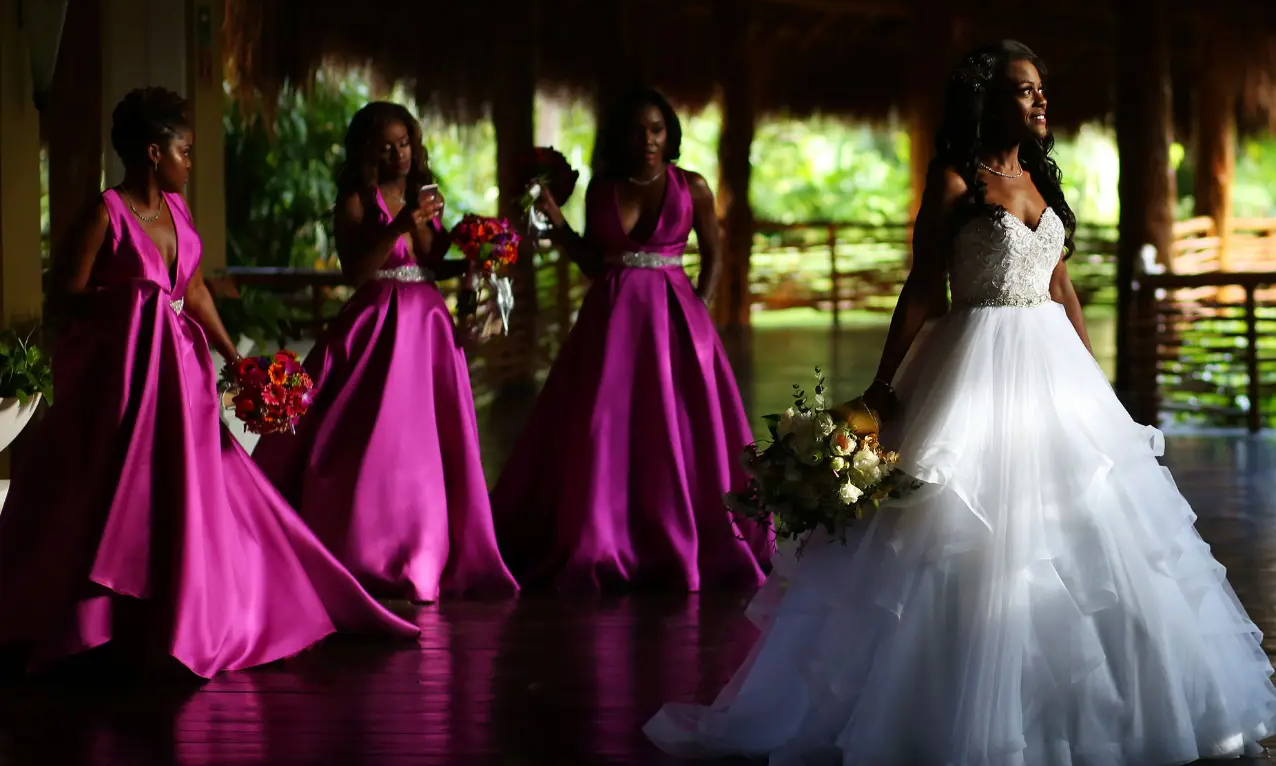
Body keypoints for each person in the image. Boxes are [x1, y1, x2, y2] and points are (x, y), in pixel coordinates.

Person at [644, 41, 1276, 764]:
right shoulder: (954, 183)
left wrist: (1100, 394)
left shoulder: (1039, 179)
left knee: (1101, 542)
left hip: (1057, 374)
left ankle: (1128, 716)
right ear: (986, 98)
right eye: (1022, 89)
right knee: (959, 542)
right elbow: (921, 289)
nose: (1040, 100)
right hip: (974, 365)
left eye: (1041, 89)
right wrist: (883, 392)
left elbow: (1062, 289)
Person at [0, 88, 418, 679]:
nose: (191, 162)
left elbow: (191, 290)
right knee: (119, 496)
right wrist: (134, 299)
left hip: (182, 377)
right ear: (153, 152)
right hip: (124, 384)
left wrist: (235, 358)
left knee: (200, 488)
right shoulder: (105, 213)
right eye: (185, 151)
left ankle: (213, 613)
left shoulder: (179, 210)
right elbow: (63, 296)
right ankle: (106, 628)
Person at [491, 87, 771, 592]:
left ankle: (684, 533)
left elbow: (714, 253)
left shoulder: (694, 187)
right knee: (604, 426)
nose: (648, 139)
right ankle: (605, 535)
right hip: (611, 322)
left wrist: (699, 309)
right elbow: (595, 265)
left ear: (670, 135)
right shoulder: (602, 189)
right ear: (622, 136)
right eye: (638, 130)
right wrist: (558, 225)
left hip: (676, 321)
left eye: (657, 129)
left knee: (679, 428)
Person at [253, 101, 517, 603]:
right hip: (380, 324)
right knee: (378, 440)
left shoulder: (425, 194)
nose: (398, 153)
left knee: (429, 446)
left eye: (405, 143)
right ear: (368, 152)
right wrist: (399, 225)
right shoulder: (356, 200)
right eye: (386, 146)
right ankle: (362, 548)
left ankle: (431, 547)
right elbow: (356, 272)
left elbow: (430, 263)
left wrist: (476, 257)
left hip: (429, 328)